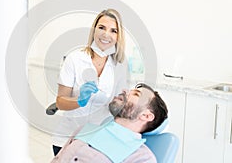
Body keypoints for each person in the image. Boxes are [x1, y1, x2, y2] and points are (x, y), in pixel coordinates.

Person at [52, 9, 128, 155]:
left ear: (118, 36)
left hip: (98, 141)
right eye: (101, 28)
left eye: (113, 31)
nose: (106, 34)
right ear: (94, 30)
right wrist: (79, 101)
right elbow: (60, 102)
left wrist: (122, 102)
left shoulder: (119, 66)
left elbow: (117, 106)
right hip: (67, 139)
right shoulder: (74, 58)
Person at [51, 83, 168, 163]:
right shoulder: (85, 129)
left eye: (136, 94)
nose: (124, 91)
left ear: (146, 115)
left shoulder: (141, 158)